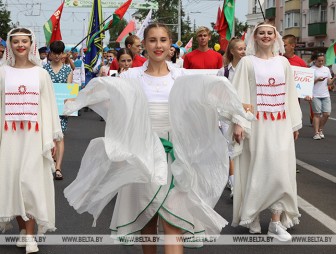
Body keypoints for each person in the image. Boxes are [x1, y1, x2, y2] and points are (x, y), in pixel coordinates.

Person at [63, 23, 252, 254]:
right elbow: (107, 93)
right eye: (152, 40)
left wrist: (237, 107)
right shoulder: (131, 75)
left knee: (174, 222)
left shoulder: (181, 75)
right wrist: (76, 101)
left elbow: (210, 96)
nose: (158, 45)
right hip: (142, 153)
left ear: (170, 45)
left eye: (163, 40)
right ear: (144, 45)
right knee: (147, 220)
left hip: (177, 154)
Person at [231, 22, 302, 242]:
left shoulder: (283, 63)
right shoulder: (246, 63)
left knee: (281, 171)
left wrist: (294, 123)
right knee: (258, 170)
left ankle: (275, 222)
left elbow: (290, 93)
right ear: (255, 37)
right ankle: (251, 216)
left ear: (276, 37)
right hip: (257, 126)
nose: (265, 35)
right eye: (261, 32)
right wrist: (239, 122)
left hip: (280, 124)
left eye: (269, 32)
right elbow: (239, 94)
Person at [0, 27, 62, 253]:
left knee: (30, 182)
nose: (20, 45)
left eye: (24, 41)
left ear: (31, 44)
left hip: (35, 136)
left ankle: (32, 235)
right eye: (15, 41)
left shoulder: (41, 73)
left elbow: (49, 106)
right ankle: (24, 232)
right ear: (10, 45)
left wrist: (52, 138)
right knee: (14, 182)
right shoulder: (3, 72)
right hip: (10, 135)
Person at [217, 38, 246, 199]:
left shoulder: (250, 70)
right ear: (232, 51)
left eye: (244, 48)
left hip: (245, 115)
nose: (243, 51)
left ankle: (242, 183)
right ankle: (235, 185)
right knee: (231, 150)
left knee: (244, 150)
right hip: (228, 116)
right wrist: (219, 118)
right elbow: (218, 95)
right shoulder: (224, 72)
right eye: (240, 49)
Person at [44, 40, 73, 180]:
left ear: (63, 54)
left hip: (61, 108)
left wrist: (69, 104)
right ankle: (50, 162)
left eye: (59, 53)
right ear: (50, 54)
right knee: (48, 136)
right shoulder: (44, 69)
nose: (56, 56)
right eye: (54, 53)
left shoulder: (68, 69)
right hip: (46, 106)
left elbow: (69, 89)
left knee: (60, 136)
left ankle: (58, 167)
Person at [310, 53, 335, 140]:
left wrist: (334, 77)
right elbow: (308, 84)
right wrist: (317, 79)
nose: (321, 62)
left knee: (327, 114)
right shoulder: (311, 70)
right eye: (319, 61)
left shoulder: (326, 69)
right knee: (317, 114)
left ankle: (320, 129)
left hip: (325, 95)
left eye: (322, 61)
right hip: (315, 95)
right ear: (315, 60)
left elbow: (329, 82)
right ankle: (316, 133)